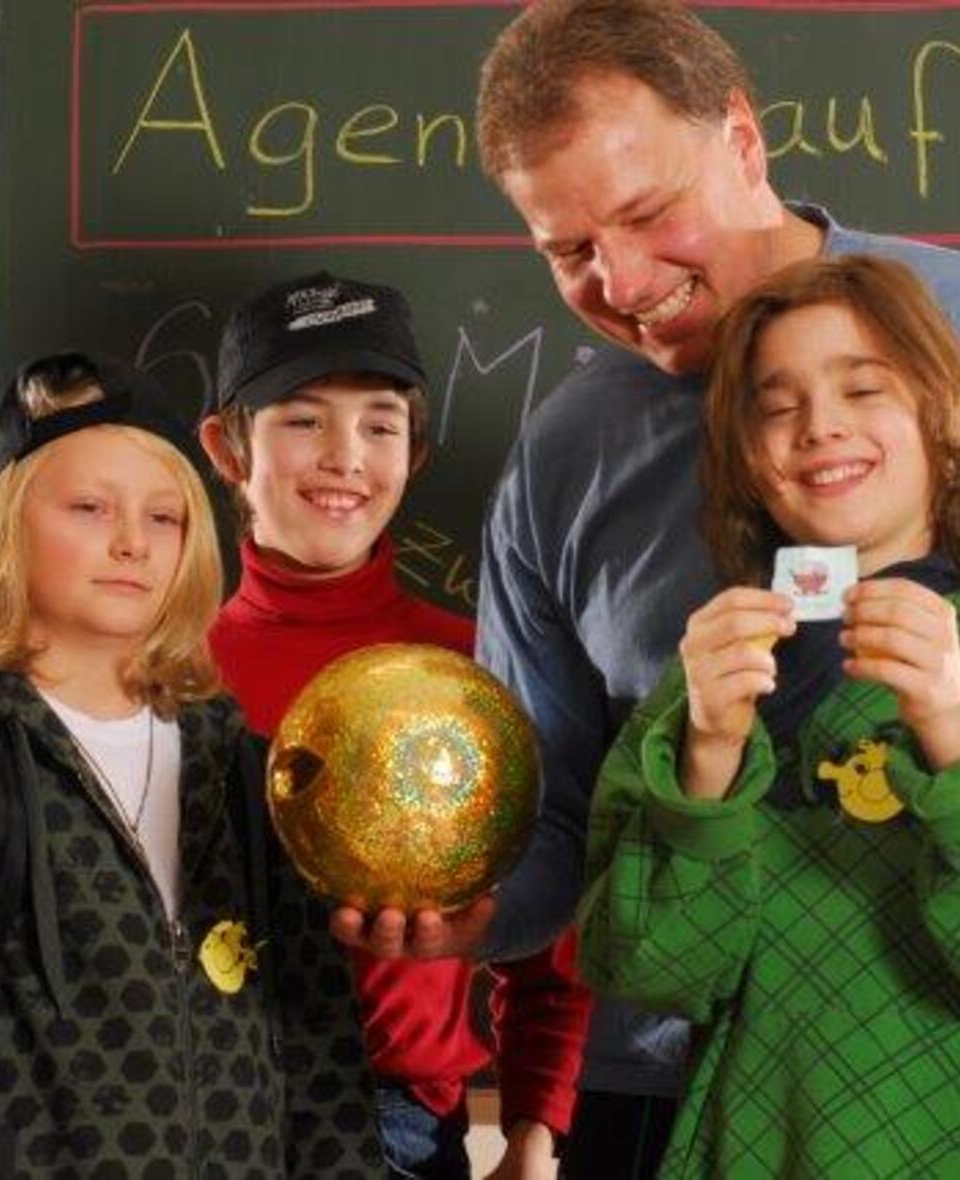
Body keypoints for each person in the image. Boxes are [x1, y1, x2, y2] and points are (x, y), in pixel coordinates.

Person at [330, 0, 960, 1174]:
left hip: (915, 1074)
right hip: (661, 1086)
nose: (620, 281)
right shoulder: (564, 460)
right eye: (567, 250)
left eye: (647, 213)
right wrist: (475, 908)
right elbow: (551, 808)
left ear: (742, 140)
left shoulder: (946, 329)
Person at [0, 352, 388, 1179]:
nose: (131, 545)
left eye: (164, 519)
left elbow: (321, 1057)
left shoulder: (246, 769)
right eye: (88, 508)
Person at [198, 271, 591, 1179]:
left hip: (396, 1127)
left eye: (379, 424)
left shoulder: (478, 673)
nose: (344, 457)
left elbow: (551, 913)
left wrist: (534, 1124)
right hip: (195, 1108)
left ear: (415, 453)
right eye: (301, 420)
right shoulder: (169, 673)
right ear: (227, 447)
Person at [579, 253, 960, 1176]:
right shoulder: (710, 675)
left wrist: (950, 742)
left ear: (939, 417)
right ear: (747, 460)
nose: (819, 427)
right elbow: (651, 974)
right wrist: (709, 753)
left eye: (862, 389)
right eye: (775, 406)